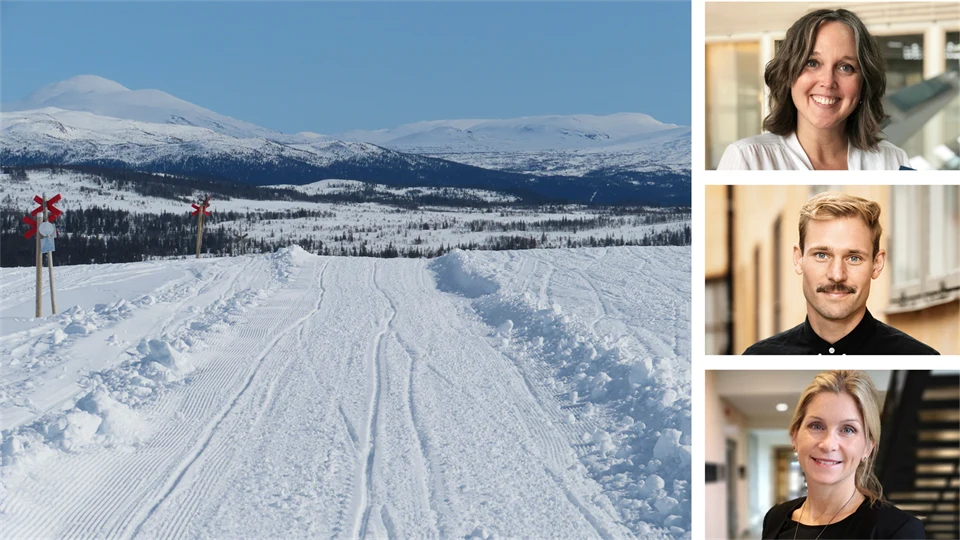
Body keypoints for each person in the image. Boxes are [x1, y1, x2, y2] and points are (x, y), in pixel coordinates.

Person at [744, 192, 938, 354]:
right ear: (798, 259)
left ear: (877, 264)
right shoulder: (758, 357)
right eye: (822, 255)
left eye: (853, 258)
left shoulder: (918, 357)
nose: (837, 275)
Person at [718, 9, 909, 170]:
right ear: (788, 73)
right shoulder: (747, 159)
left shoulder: (895, 161)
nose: (827, 81)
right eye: (812, 63)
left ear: (864, 82)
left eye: (846, 67)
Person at [761, 371, 926, 539]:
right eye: (816, 426)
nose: (828, 444)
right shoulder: (775, 518)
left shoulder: (899, 530)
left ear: (868, 447)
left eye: (848, 429)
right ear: (795, 436)